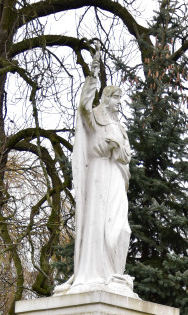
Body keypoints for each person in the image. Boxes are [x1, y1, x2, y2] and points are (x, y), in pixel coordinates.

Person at [55, 42, 133, 294]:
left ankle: (114, 274)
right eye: (116, 98)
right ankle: (98, 273)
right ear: (107, 99)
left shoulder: (120, 128)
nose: (119, 103)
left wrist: (117, 148)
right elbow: (83, 107)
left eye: (121, 98)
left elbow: (127, 155)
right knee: (100, 226)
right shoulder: (96, 118)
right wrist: (93, 74)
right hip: (99, 174)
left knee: (120, 227)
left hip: (117, 177)